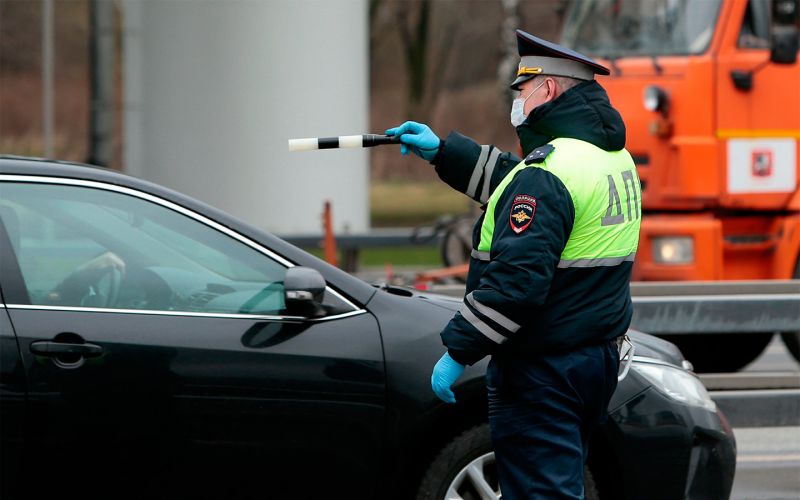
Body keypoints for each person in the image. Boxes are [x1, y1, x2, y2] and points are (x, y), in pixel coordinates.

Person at [386, 29, 641, 499]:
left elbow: (516, 283)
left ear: (547, 89)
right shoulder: (608, 157)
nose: (517, 99)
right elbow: (516, 184)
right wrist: (443, 152)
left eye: (522, 89)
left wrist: (458, 350)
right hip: (592, 356)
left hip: (544, 366)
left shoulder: (549, 173)